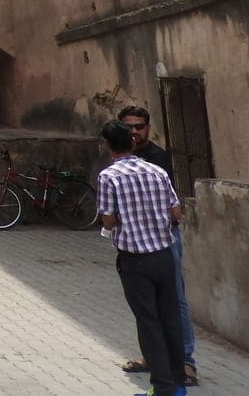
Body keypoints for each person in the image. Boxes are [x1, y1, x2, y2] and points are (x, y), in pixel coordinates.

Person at [97, 119, 186, 396]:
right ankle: (178, 382)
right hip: (163, 255)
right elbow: (176, 212)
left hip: (135, 259)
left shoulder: (108, 177)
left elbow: (109, 221)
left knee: (149, 322)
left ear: (107, 145)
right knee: (170, 319)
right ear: (132, 141)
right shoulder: (157, 171)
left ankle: (162, 388)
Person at [118, 106, 199, 387]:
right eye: (128, 127)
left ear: (148, 128)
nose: (134, 132)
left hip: (164, 240)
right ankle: (152, 356)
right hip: (136, 244)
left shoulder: (158, 159)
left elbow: (171, 208)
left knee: (175, 299)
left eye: (139, 126)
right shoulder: (120, 160)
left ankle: (186, 361)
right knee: (146, 305)